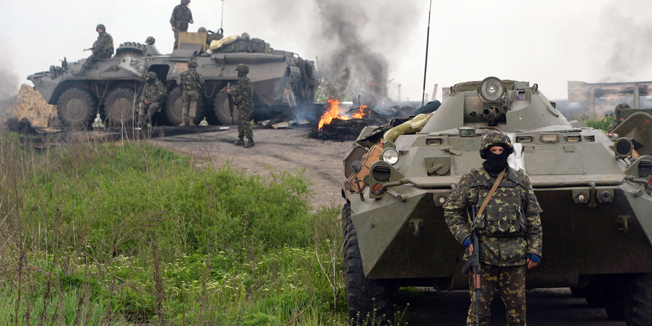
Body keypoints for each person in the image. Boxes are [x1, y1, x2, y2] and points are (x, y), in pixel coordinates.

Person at [444, 131, 543, 326]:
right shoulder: (471, 180)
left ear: (507, 153)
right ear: (485, 152)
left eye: (501, 150)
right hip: (483, 256)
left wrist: (534, 249)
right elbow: (451, 210)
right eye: (493, 150)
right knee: (479, 312)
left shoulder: (520, 181)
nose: (497, 154)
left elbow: (533, 216)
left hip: (514, 257)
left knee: (517, 314)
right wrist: (465, 237)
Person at [228, 64, 254, 147]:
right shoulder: (247, 80)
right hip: (244, 104)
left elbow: (236, 92)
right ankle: (241, 139)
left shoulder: (242, 81)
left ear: (241, 72)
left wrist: (229, 91)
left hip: (244, 104)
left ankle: (250, 140)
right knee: (240, 121)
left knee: (245, 122)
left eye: (238, 71)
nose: (237, 73)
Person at [179, 58, 204, 126]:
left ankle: (183, 122)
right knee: (193, 106)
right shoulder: (197, 74)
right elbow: (202, 82)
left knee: (185, 106)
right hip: (194, 92)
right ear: (195, 66)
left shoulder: (183, 74)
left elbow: (178, 82)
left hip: (185, 92)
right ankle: (191, 122)